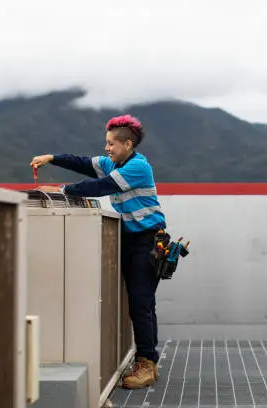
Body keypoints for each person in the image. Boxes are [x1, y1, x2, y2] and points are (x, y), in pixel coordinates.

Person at [30, 114, 166, 389]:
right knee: (142, 303)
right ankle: (147, 359)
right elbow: (82, 163)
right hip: (131, 240)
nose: (106, 149)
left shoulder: (137, 167)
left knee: (141, 303)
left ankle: (147, 364)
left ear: (127, 144)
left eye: (111, 144)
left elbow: (101, 186)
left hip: (146, 242)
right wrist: (52, 158)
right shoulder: (113, 163)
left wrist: (60, 190)